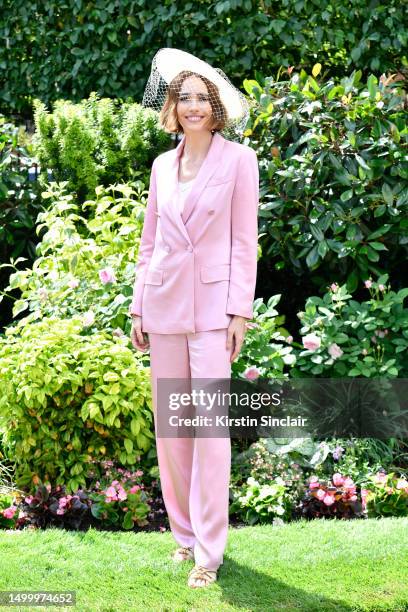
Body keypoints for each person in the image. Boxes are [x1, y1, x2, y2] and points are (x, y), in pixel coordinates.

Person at [129, 48, 259, 588]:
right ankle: (183, 537)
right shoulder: (162, 165)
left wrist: (238, 313)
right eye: (183, 98)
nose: (192, 107)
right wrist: (137, 304)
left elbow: (243, 244)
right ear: (173, 106)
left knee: (208, 432)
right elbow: (149, 241)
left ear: (216, 106)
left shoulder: (239, 161)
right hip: (162, 308)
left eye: (201, 99)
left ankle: (210, 552)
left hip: (210, 313)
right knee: (173, 434)